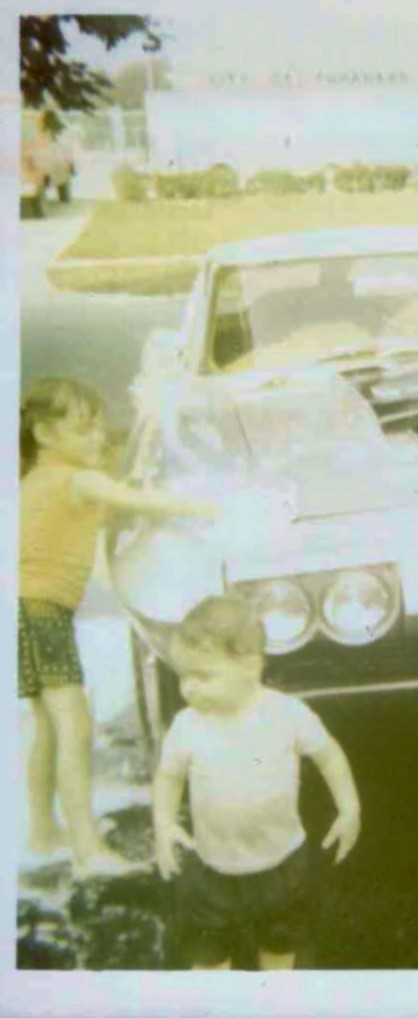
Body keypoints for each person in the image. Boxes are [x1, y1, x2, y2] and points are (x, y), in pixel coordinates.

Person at [19, 377, 220, 879]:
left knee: (48, 727)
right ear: (44, 433)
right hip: (39, 611)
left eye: (100, 429)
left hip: (25, 610)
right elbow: (139, 502)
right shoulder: (74, 479)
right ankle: (88, 853)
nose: (97, 439)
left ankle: (44, 833)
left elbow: (110, 499)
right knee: (74, 727)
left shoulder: (41, 478)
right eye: (83, 429)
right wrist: (209, 504)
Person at [152, 595, 361, 971]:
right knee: (208, 958)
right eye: (183, 676)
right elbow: (169, 776)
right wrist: (163, 823)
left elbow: (329, 755)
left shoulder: (286, 714)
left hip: (282, 866)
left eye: (203, 676)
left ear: (249, 666)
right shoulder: (187, 725)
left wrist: (349, 808)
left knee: (280, 948)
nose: (188, 688)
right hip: (213, 869)